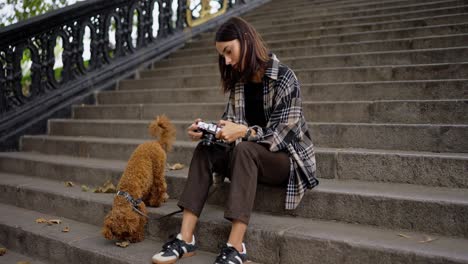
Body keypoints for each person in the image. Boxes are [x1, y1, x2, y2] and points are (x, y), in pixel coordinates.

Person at [152, 16, 318, 264]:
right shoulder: (238, 84)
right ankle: (185, 238)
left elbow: (283, 135)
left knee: (246, 150)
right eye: (222, 56)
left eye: (229, 51)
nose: (227, 61)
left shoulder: (285, 78)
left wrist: (243, 132)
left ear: (246, 40)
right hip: (247, 157)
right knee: (206, 149)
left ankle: (236, 246)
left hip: (286, 160)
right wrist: (209, 131)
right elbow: (229, 126)